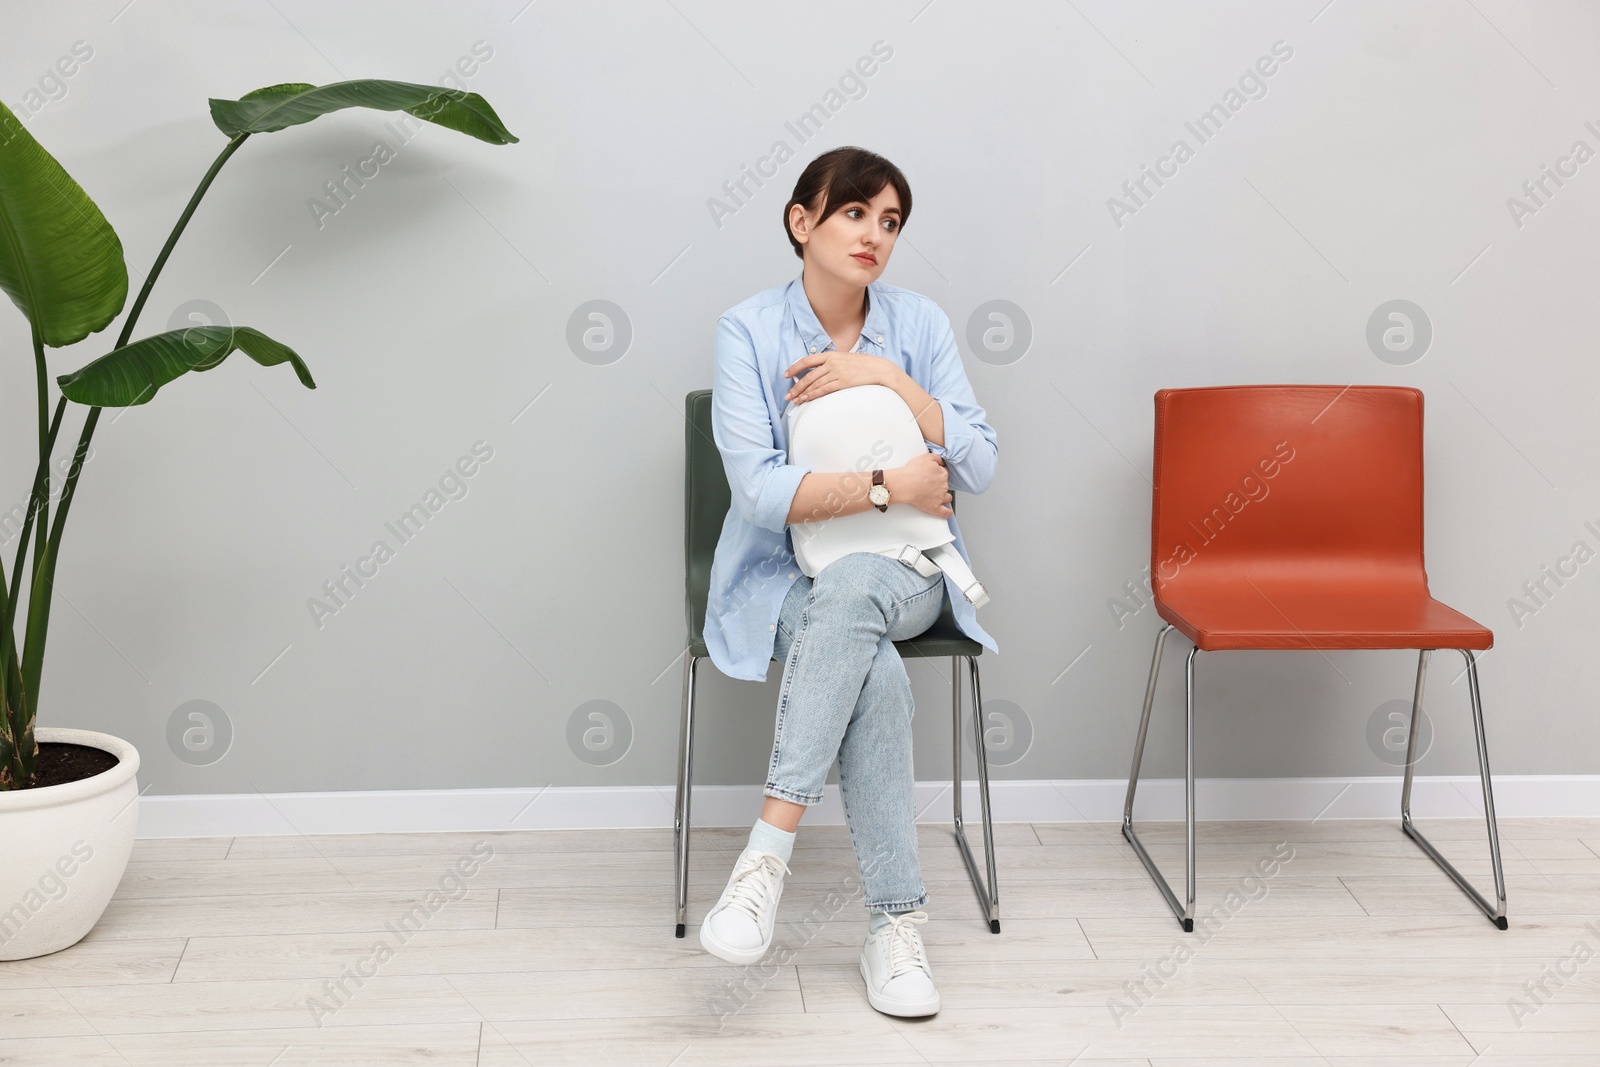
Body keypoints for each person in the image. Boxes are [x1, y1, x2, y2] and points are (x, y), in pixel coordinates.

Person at [701, 145, 999, 1017]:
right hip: (784, 579)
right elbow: (759, 494)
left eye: (892, 221)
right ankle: (894, 929)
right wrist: (886, 484)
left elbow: (978, 463)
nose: (875, 235)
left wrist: (890, 378)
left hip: (910, 570)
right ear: (803, 223)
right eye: (855, 213)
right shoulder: (748, 331)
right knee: (874, 674)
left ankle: (765, 859)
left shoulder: (920, 326)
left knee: (864, 581)